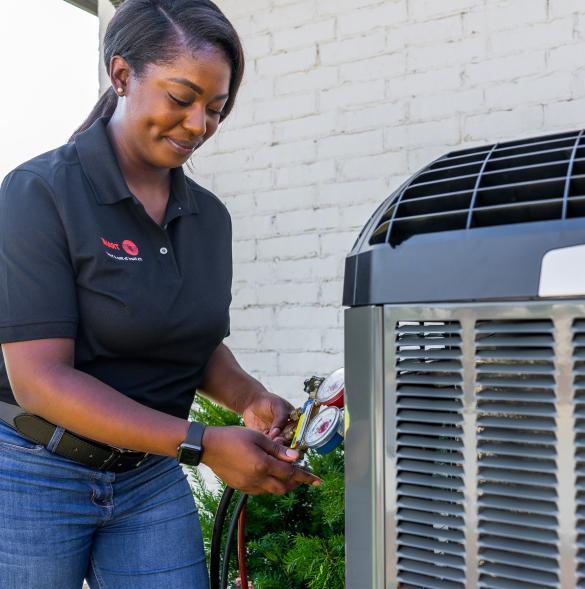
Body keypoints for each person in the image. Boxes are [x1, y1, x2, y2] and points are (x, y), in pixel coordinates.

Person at [0, 1, 319, 588]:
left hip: (150, 479)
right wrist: (203, 444)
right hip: (31, 474)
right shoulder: (37, 193)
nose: (199, 124)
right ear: (122, 76)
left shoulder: (210, 218)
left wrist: (248, 396)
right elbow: (39, 380)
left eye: (216, 108)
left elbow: (188, 341)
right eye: (182, 98)